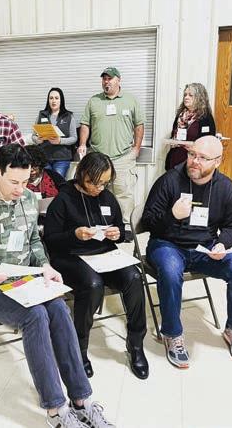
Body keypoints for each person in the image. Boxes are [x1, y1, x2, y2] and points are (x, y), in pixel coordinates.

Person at [0, 144, 115, 428]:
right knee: (35, 316)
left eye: (25, 181)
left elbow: (34, 240)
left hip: (23, 280)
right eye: (14, 182)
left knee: (58, 308)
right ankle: (56, 410)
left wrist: (45, 265)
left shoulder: (26, 199)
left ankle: (81, 401)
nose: (20, 189)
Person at [142, 136, 232, 368]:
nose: (194, 161)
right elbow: (148, 221)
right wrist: (172, 215)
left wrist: (222, 244)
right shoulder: (169, 181)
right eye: (192, 154)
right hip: (167, 244)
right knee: (170, 271)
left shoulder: (225, 187)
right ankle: (172, 334)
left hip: (205, 248)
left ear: (217, 161)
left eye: (202, 158)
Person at [43, 152, 148, 380]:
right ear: (82, 174)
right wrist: (74, 234)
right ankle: (78, 349)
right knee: (92, 284)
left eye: (104, 183)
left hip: (103, 255)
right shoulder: (64, 199)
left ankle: (136, 343)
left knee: (134, 277)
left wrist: (118, 234)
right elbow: (50, 240)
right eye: (93, 182)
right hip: (70, 255)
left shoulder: (107, 197)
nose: (98, 188)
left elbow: (119, 229)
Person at [77, 67, 145, 242]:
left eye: (110, 79)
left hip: (123, 157)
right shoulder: (94, 101)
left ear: (118, 80)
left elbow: (139, 125)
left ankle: (125, 229)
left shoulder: (130, 100)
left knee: (123, 193)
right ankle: (101, 227)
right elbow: (85, 124)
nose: (106, 82)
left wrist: (136, 148)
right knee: (97, 192)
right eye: (104, 79)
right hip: (98, 159)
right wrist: (82, 144)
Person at [165, 83, 216, 170]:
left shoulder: (205, 117)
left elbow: (208, 142)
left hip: (193, 163)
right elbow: (174, 135)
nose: (186, 97)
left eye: (190, 95)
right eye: (185, 95)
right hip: (175, 160)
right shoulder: (180, 115)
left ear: (199, 98)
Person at [32, 87, 77, 178]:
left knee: (57, 181)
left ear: (61, 100)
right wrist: (38, 140)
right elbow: (33, 136)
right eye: (51, 98)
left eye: (56, 98)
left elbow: (74, 138)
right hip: (44, 158)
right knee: (46, 182)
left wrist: (60, 141)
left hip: (62, 159)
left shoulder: (69, 116)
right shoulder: (41, 115)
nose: (53, 101)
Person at [25, 145, 64, 224]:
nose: (32, 170)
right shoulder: (18, 181)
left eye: (35, 167)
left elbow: (66, 196)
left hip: (53, 219)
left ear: (41, 165)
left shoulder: (54, 176)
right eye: (28, 167)